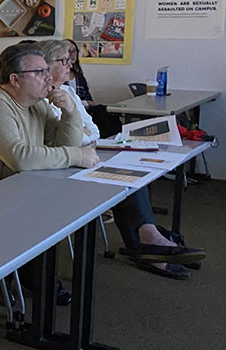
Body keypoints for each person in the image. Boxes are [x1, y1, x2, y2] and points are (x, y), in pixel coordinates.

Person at [40, 40, 206, 279]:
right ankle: (150, 243)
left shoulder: (67, 92)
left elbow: (93, 131)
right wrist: (82, 135)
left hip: (88, 153)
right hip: (65, 165)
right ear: (45, 65)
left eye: (70, 60)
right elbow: (66, 138)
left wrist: (83, 135)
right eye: (63, 61)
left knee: (131, 172)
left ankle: (147, 242)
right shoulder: (43, 98)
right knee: (121, 177)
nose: (70, 66)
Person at [64, 39, 121, 138]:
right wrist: (84, 103)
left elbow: (88, 97)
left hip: (87, 111)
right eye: (69, 51)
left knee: (112, 120)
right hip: (73, 113)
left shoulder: (78, 76)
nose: (72, 54)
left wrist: (87, 103)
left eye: (74, 51)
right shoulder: (59, 78)